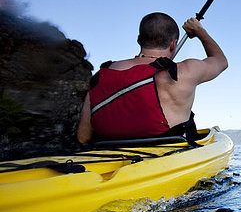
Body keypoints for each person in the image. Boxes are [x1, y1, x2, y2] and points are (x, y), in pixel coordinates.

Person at [77, 12, 228, 143]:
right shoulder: (183, 72)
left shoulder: (101, 75)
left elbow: (83, 137)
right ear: (173, 44)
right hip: (165, 161)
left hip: (106, 159)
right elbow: (221, 61)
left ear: (139, 40)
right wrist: (200, 32)